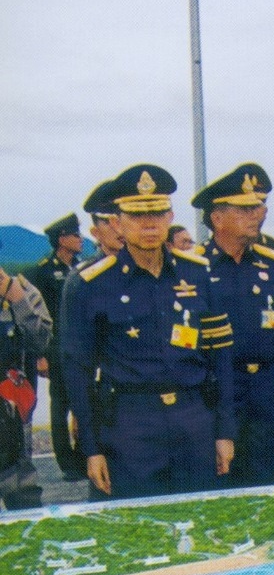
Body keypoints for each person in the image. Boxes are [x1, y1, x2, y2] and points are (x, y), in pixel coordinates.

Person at [62, 164, 236, 500]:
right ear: (118, 222)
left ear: (171, 216)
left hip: (192, 418)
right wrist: (91, 449)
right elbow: (76, 369)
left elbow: (221, 357)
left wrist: (224, 431)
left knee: (200, 523)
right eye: (137, 215)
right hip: (129, 423)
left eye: (157, 213)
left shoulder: (198, 274)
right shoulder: (89, 285)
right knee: (134, 528)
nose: (149, 224)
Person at [192, 163, 274, 486]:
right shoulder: (195, 269)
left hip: (268, 391)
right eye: (245, 209)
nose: (257, 214)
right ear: (217, 218)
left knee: (273, 481)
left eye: (258, 207)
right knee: (222, 484)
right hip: (217, 392)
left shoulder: (273, 265)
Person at [24, 212, 84, 479]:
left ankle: (84, 456)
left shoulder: (80, 267)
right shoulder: (43, 271)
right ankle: (67, 464)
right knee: (60, 406)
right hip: (56, 349)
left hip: (81, 348)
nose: (80, 239)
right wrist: (40, 355)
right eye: (75, 235)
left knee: (84, 403)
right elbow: (35, 316)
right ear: (62, 239)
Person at [0, 267, 50, 509]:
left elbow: (40, 341)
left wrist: (18, 301)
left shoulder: (24, 290)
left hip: (12, 407)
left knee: (20, 486)